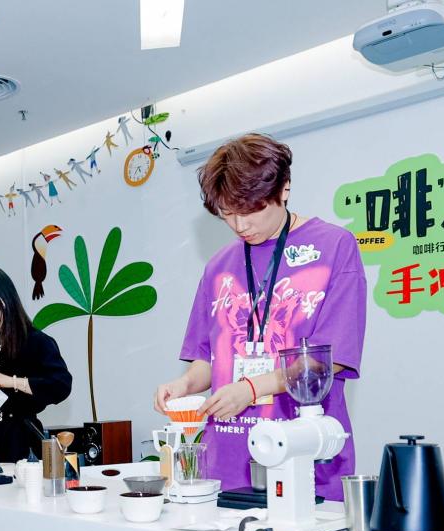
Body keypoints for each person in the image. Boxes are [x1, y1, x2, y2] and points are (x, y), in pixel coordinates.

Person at [154, 134, 366, 500]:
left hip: (305, 458)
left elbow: (326, 361)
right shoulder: (219, 266)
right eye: (227, 213)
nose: (239, 225)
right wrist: (185, 385)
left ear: (284, 189)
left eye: (250, 210)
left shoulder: (334, 247)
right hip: (227, 465)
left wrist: (251, 389)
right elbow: (208, 360)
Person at [0, 266, 72, 463]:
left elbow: (61, 385)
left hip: (25, 449)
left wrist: (12, 381)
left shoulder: (37, 342)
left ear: (1, 301)